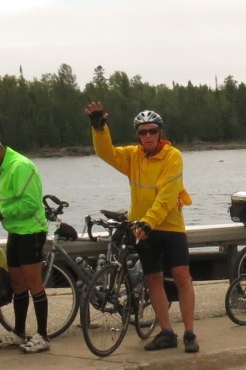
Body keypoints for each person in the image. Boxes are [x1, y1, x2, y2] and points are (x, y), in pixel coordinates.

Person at [85, 102, 198, 352]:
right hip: (142, 227)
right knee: (153, 278)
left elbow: (167, 194)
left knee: (182, 276)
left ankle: (190, 333)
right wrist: (99, 128)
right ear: (138, 135)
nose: (148, 136)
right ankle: (167, 332)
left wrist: (149, 220)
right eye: (143, 132)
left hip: (170, 226)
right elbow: (106, 153)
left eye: (152, 131)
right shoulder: (133, 156)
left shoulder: (173, 156)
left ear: (160, 132)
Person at [0, 128, 49, 353]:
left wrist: (2, 212)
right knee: (17, 285)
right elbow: (11, 201)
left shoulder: (20, 166)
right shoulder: (5, 168)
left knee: (34, 284)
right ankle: (19, 332)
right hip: (16, 231)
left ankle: (43, 336)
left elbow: (30, 204)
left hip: (31, 231)